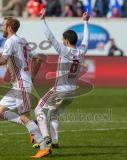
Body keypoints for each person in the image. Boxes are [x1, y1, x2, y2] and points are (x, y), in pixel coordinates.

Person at [0, 17, 51, 158]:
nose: (0, 28)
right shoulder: (22, 40)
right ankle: (32, 125)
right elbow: (38, 58)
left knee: (23, 116)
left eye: (2, 25)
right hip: (20, 83)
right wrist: (32, 76)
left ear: (9, 27)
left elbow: (3, 60)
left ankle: (43, 146)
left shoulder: (10, 41)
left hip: (21, 84)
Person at [34, 8, 89, 148]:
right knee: (52, 113)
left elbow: (50, 37)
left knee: (38, 109)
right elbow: (86, 40)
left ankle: (45, 137)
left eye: (63, 39)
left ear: (65, 40)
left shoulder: (64, 50)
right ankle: (55, 141)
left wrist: (43, 20)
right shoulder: (82, 51)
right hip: (72, 93)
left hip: (60, 90)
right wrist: (86, 23)